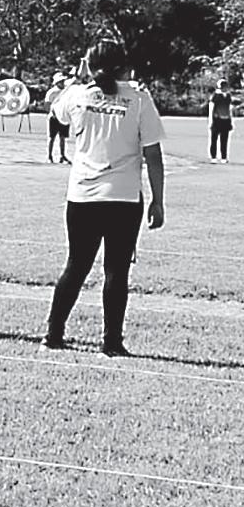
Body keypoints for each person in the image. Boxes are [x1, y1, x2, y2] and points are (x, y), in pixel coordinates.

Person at [41, 40, 165, 357]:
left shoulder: (77, 94)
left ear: (90, 65)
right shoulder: (139, 99)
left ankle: (53, 334)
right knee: (117, 271)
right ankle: (111, 343)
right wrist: (158, 200)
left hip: (82, 196)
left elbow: (57, 113)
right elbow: (153, 154)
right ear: (123, 65)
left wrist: (78, 77)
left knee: (76, 267)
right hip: (123, 197)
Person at [44, 71, 71, 164]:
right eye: (61, 81)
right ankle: (49, 156)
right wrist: (53, 112)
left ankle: (62, 156)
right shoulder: (52, 92)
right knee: (51, 137)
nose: (63, 83)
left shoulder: (67, 91)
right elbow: (47, 105)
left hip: (63, 117)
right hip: (54, 118)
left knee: (63, 137)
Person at [208, 78, 235, 163]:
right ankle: (213, 157)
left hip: (226, 120)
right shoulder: (216, 96)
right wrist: (211, 121)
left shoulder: (228, 96)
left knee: (224, 139)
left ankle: (224, 157)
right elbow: (211, 108)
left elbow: (229, 109)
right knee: (214, 139)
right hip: (217, 119)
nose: (225, 88)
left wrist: (230, 121)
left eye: (226, 86)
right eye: (223, 86)